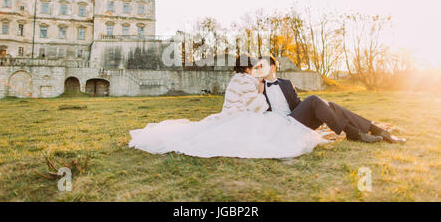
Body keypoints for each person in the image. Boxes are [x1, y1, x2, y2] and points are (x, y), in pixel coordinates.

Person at [129, 54, 327, 159]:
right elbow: (257, 106)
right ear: (248, 68)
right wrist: (260, 93)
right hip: (240, 117)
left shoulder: (234, 79)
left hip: (228, 114)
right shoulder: (248, 81)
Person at [254, 55, 406, 143]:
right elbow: (257, 112)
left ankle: (376, 130)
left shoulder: (286, 83)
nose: (260, 69)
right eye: (258, 67)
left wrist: (316, 110)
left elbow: (298, 105)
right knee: (314, 99)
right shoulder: (257, 87)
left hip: (297, 120)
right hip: (282, 126)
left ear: (273, 67)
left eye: (263, 66)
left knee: (331, 105)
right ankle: (355, 133)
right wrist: (260, 93)